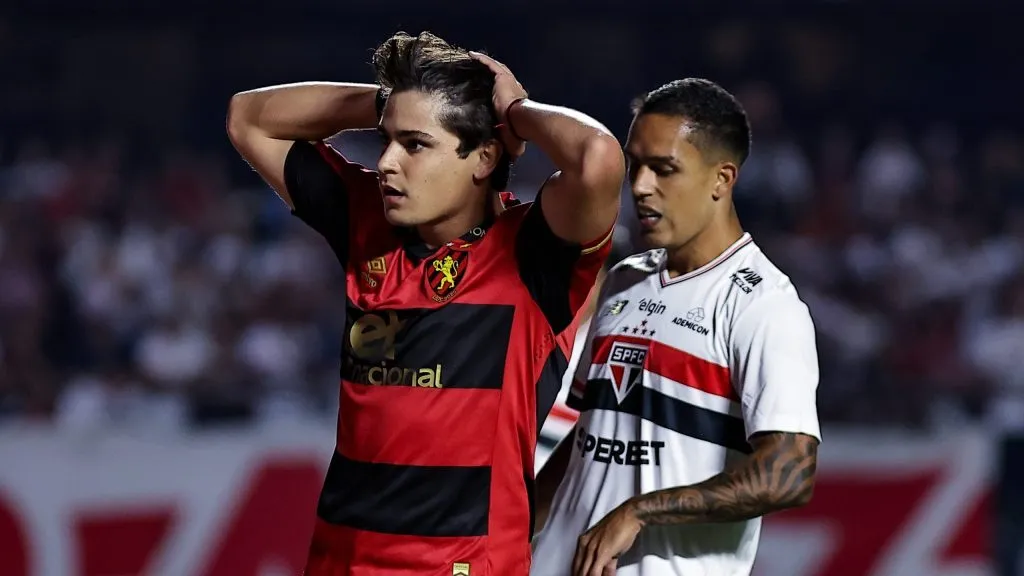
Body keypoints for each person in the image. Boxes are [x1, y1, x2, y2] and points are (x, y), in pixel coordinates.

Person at [226, 31, 623, 575]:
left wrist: (513, 111)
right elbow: (248, 117)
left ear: (484, 157)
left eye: (415, 144)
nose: (387, 161)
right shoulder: (367, 221)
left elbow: (597, 157)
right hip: (338, 562)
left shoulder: (532, 253)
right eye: (388, 140)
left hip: (460, 565)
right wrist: (387, 103)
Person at [530, 78, 821, 576]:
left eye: (664, 169)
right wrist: (515, 526)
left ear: (721, 179)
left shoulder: (764, 305)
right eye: (635, 165)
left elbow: (789, 474)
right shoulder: (623, 280)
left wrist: (640, 511)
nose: (640, 185)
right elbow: (589, 435)